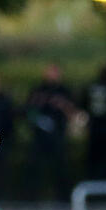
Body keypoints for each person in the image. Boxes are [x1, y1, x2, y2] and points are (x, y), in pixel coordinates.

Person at [25, 64, 75, 200]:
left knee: (61, 167)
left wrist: (62, 105)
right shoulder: (38, 91)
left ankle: (63, 198)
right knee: (35, 166)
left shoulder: (64, 91)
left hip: (58, 136)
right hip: (40, 137)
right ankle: (32, 198)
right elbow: (28, 111)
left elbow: (72, 113)